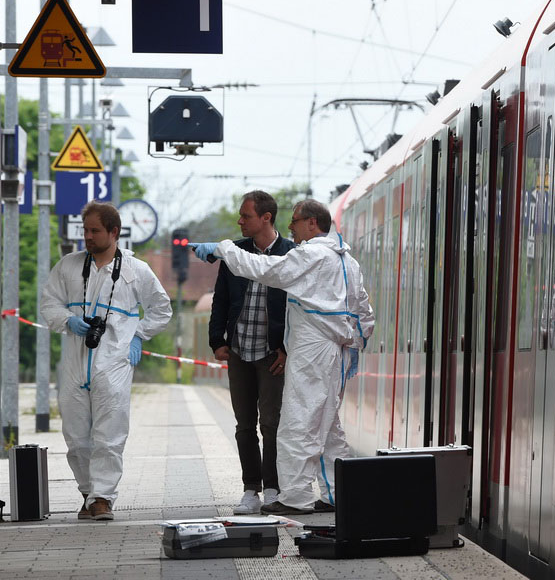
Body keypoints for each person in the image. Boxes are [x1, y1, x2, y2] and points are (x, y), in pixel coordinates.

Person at [190, 199, 374, 515]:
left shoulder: (311, 256)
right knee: (328, 427)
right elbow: (364, 312)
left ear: (313, 223)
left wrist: (224, 249)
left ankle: (295, 498)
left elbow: (265, 270)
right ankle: (334, 494)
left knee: (298, 422)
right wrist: (350, 339)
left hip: (312, 349)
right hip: (336, 351)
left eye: (296, 221)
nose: (290, 227)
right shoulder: (348, 262)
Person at [40, 201, 172, 521]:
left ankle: (103, 497)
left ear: (114, 232)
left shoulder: (135, 269)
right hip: (74, 358)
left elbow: (161, 308)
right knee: (74, 435)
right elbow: (48, 304)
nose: (88, 236)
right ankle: (87, 492)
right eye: (85, 230)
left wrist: (138, 334)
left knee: (109, 432)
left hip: (113, 359)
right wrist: (68, 320)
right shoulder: (69, 266)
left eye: (94, 230)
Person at [208, 191, 295, 515]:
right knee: (244, 425)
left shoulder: (291, 254)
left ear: (266, 218)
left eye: (246, 216)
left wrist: (286, 349)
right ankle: (250, 490)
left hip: (273, 355)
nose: (240, 221)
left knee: (272, 424)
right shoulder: (236, 253)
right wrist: (217, 340)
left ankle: (273, 488)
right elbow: (220, 299)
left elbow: (299, 309)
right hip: (240, 352)